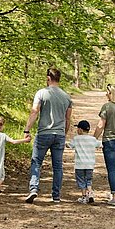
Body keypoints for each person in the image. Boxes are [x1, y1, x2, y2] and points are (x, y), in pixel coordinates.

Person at [24, 67, 73, 204]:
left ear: (48, 78)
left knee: (36, 162)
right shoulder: (66, 97)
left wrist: (27, 130)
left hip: (44, 134)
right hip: (59, 135)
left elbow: (34, 112)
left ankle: (33, 189)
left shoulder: (41, 93)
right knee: (57, 166)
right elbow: (68, 119)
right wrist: (64, 133)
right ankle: (56, 196)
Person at [66, 120, 102, 204]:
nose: (77, 130)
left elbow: (69, 146)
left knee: (81, 180)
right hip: (90, 165)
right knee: (88, 180)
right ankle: (90, 192)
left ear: (81, 130)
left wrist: (65, 144)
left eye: (77, 129)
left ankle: (84, 196)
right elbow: (100, 144)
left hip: (79, 165)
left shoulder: (76, 139)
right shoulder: (92, 139)